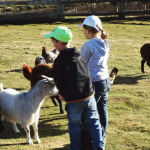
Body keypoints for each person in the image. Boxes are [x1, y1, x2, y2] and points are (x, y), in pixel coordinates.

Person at [44, 26, 105, 150]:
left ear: (59, 43)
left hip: (74, 99)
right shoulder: (79, 54)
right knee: (94, 122)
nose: (53, 44)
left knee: (74, 125)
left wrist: (61, 93)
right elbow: (86, 72)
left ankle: (76, 148)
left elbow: (59, 80)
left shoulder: (59, 61)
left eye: (53, 42)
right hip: (89, 94)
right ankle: (100, 147)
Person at [77, 15, 110, 142]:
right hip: (105, 80)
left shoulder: (88, 45)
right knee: (102, 109)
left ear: (89, 30)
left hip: (93, 82)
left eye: (83, 29)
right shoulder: (105, 43)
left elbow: (82, 64)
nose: (83, 32)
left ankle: (93, 138)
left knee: (90, 111)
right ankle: (103, 134)